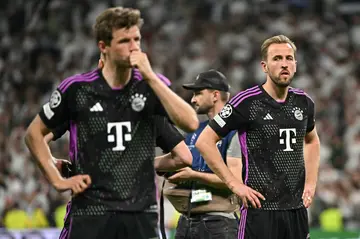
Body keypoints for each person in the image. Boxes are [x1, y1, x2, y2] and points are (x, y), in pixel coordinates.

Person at [24, 7, 198, 239]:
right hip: (91, 212)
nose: (134, 46)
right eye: (124, 41)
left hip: (140, 213)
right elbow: (34, 134)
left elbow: (191, 123)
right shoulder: (77, 90)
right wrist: (57, 181)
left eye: (136, 39)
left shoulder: (150, 87)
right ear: (103, 47)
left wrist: (151, 77)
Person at [196, 35, 320, 239]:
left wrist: (311, 183)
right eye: (277, 58)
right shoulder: (246, 102)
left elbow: (312, 140)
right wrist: (234, 185)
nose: (284, 64)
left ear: (296, 65)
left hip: (296, 210)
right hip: (259, 211)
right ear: (264, 66)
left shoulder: (304, 102)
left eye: (289, 58)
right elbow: (205, 141)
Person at [159, 70, 243, 239]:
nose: (193, 99)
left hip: (219, 222)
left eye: (198, 93)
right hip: (187, 221)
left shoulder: (235, 131)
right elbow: (183, 163)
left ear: (215, 95)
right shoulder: (194, 131)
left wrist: (194, 175)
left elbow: (235, 182)